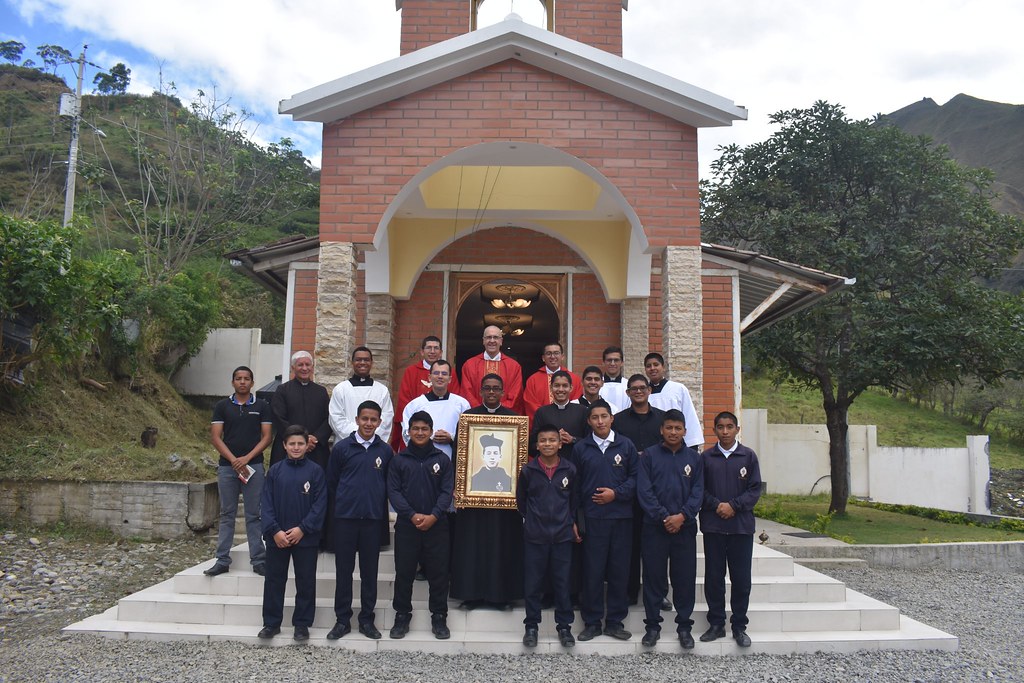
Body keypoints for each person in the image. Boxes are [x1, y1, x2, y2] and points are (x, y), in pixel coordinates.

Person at [452, 374, 525, 609]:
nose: (492, 392)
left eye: (496, 388)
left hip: (506, 499)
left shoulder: (514, 419)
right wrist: (459, 485)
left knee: (502, 545)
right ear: (480, 391)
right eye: (487, 388)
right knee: (473, 545)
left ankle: (501, 597)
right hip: (473, 498)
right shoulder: (468, 418)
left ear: (503, 392)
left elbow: (519, 459)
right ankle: (471, 595)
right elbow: (459, 456)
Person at [570, 400, 638, 642]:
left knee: (619, 571)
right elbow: (575, 487)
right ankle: (591, 623)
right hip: (592, 519)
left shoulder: (625, 445)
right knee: (593, 571)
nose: (600, 421)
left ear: (612, 418)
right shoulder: (581, 448)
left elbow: (635, 478)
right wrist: (574, 519)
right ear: (588, 421)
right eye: (595, 417)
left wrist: (615, 494)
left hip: (621, 518)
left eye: (604, 416)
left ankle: (615, 622)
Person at [325, 400, 394, 641]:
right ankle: (342, 620)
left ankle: (366, 620)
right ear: (356, 420)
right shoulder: (342, 448)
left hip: (372, 521)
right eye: (364, 418)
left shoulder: (385, 451)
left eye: (373, 420)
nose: (368, 423)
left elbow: (388, 484)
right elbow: (331, 483)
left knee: (369, 573)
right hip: (345, 519)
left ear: (379, 422)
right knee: (344, 572)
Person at [636, 410, 703, 649]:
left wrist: (682, 516)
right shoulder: (649, 457)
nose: (673, 432)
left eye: (678, 428)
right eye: (669, 428)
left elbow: (698, 492)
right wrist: (665, 517)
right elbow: (644, 492)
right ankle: (652, 627)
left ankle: (684, 627)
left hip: (684, 528)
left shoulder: (694, 458)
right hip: (655, 527)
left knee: (684, 579)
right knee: (654, 579)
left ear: (685, 431)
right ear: (661, 430)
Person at [388, 411, 454, 640]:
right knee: (404, 573)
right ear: (409, 431)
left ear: (431, 431)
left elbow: (447, 491)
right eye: (415, 428)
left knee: (438, 574)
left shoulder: (442, 459)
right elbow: (394, 492)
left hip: (437, 526)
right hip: (408, 526)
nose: (419, 432)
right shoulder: (399, 460)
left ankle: (439, 617)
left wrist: (434, 515)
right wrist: (411, 515)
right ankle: (402, 616)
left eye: (424, 429)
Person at [257, 425, 327, 641]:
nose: (296, 447)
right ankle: (271, 623)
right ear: (284, 446)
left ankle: (302, 624)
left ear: (307, 446)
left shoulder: (316, 471)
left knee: (305, 581)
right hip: (277, 538)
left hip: (305, 537)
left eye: (300, 444)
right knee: (274, 580)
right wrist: (275, 530)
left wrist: (303, 529)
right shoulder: (275, 471)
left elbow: (320, 504)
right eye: (292, 444)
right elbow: (266, 503)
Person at [699, 411, 763, 648]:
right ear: (714, 429)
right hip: (714, 527)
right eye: (720, 427)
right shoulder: (706, 458)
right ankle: (716, 623)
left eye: (729, 427)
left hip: (740, 528)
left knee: (741, 580)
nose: (725, 431)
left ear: (737, 429)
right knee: (714, 577)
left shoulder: (748, 456)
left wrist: (734, 506)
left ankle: (739, 626)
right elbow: (699, 490)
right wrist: (718, 506)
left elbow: (755, 489)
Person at [517, 423, 581, 649]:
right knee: (533, 584)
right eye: (543, 441)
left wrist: (569, 522)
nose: (547, 444)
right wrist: (534, 521)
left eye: (552, 440)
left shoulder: (570, 470)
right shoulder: (528, 471)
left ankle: (564, 627)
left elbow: (573, 501)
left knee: (562, 584)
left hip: (562, 536)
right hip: (535, 537)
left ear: (560, 443)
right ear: (537, 445)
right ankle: (531, 626)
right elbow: (522, 502)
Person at [205, 366, 272, 577]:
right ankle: (222, 559)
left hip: (254, 466)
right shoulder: (222, 406)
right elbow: (216, 437)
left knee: (254, 514)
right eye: (238, 379)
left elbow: (267, 437)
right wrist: (234, 460)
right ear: (232, 382)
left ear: (252, 382)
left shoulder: (262, 406)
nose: (242, 382)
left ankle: (259, 560)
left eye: (246, 379)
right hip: (227, 468)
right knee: (227, 514)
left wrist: (246, 458)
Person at [612, 374, 667, 607]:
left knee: (657, 547)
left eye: (642, 388)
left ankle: (659, 593)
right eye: (633, 389)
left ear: (649, 391)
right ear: (627, 393)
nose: (638, 392)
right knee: (630, 545)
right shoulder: (619, 421)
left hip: (657, 491)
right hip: (629, 491)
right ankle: (630, 591)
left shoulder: (662, 420)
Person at [393, 335, 461, 449]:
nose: (432, 351)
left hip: (446, 433)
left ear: (441, 352)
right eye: (429, 348)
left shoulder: (450, 373)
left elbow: (455, 401)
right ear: (422, 352)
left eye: (436, 348)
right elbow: (405, 401)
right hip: (419, 429)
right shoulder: (411, 371)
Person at [269, 351, 331, 470]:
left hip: (316, 449)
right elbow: (278, 417)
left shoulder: (321, 391)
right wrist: (299, 440)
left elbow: (328, 418)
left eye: (308, 365)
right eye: (300, 365)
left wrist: (315, 438)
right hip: (289, 447)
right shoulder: (282, 390)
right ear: (293, 368)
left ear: (312, 367)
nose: (304, 368)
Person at [402, 359, 470, 460]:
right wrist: (428, 436)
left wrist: (452, 438)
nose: (440, 376)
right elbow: (406, 433)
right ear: (429, 377)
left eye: (444, 373)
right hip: (423, 460)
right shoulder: (415, 405)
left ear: (450, 379)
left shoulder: (462, 404)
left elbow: (469, 434)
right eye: (436, 373)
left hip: (453, 461)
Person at [329, 346, 394, 443]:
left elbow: (386, 419)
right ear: (352, 362)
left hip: (374, 445)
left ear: (371, 363)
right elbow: (336, 419)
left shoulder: (382, 390)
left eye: (366, 360)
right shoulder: (340, 389)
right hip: (347, 444)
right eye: (358, 360)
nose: (362, 363)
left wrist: (370, 439)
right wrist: (358, 437)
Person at [644, 352, 703, 451]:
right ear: (645, 370)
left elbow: (689, 416)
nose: (652, 368)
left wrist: (692, 444)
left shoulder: (678, 389)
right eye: (648, 366)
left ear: (663, 367)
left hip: (676, 445)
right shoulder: (643, 393)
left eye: (656, 365)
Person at [460, 325, 523, 412]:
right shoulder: (470, 365)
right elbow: (467, 393)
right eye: (488, 337)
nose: (492, 341)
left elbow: (515, 394)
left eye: (496, 337)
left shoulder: (514, 366)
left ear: (501, 341)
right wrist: (481, 410)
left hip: (504, 417)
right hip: (476, 417)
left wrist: (499, 410)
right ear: (483, 341)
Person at [531, 370, 588, 461]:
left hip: (576, 464)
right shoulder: (542, 412)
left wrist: (572, 439)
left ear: (571, 388)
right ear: (551, 388)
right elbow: (533, 444)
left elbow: (590, 441)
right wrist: (553, 439)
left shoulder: (582, 411)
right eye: (557, 385)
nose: (561, 389)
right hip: (548, 465)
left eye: (565, 386)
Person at [522, 342, 582, 419]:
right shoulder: (533, 380)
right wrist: (548, 419)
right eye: (548, 353)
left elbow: (576, 404)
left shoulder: (574, 379)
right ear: (543, 358)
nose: (552, 356)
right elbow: (530, 405)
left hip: (569, 424)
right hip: (543, 426)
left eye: (556, 353)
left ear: (562, 356)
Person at [599, 346, 629, 413]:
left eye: (616, 360)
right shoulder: (597, 385)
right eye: (609, 360)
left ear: (622, 363)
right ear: (603, 362)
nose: (612, 363)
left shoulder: (628, 385)